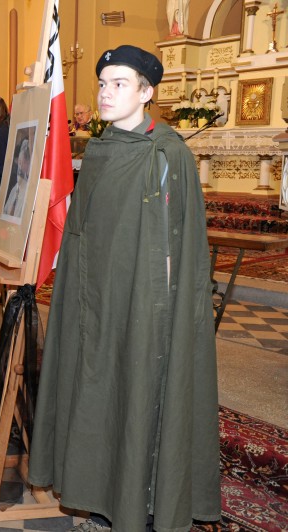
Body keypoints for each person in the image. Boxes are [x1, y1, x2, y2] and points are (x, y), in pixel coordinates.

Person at [28, 45, 221, 531]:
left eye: (120, 84)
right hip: (96, 302)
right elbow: (81, 234)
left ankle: (139, 502)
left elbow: (177, 244)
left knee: (135, 398)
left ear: (146, 92)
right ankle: (97, 494)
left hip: (145, 305)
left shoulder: (167, 153)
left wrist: (162, 316)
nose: (106, 94)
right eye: (103, 83)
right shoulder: (98, 150)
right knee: (97, 396)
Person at [2, 137, 30, 218]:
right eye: (19, 162)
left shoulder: (28, 191)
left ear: (28, 163)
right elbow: (5, 212)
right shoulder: (15, 189)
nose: (20, 166)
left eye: (22, 162)